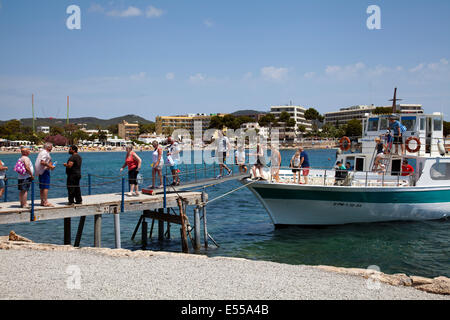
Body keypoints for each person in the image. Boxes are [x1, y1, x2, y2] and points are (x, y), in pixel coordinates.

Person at [35, 142, 56, 207]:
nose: (52, 148)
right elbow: (42, 162)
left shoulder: (42, 152)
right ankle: (45, 202)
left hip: (41, 171)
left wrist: (50, 165)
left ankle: (42, 201)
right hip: (44, 171)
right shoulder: (45, 153)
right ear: (48, 147)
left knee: (42, 187)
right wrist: (50, 166)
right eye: (51, 147)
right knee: (45, 187)